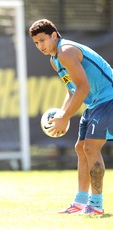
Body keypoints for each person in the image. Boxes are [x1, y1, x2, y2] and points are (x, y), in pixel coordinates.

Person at [29, 19, 113, 215]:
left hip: (109, 98)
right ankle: (80, 202)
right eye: (36, 43)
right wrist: (61, 113)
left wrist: (65, 117)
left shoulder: (66, 51)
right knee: (80, 148)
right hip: (96, 103)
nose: (40, 46)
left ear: (54, 35)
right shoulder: (54, 60)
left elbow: (84, 87)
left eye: (43, 40)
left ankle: (96, 205)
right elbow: (72, 88)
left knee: (91, 147)